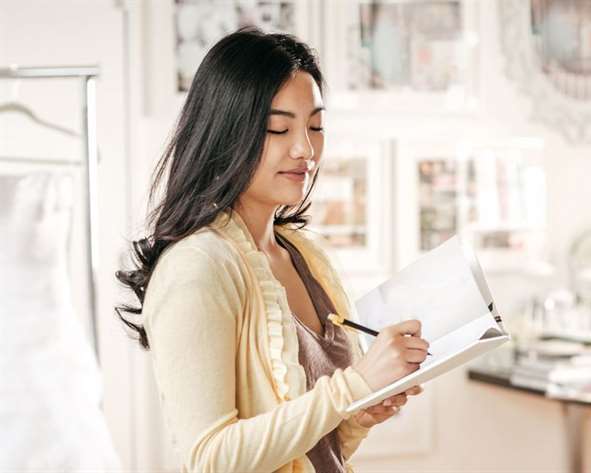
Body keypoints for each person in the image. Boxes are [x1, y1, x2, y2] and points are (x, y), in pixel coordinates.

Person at [115, 26, 429, 473]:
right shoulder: (198, 266)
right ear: (226, 133)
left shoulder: (304, 255)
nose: (305, 149)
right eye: (278, 128)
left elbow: (314, 449)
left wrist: (360, 413)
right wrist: (352, 387)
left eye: (315, 126)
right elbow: (210, 459)